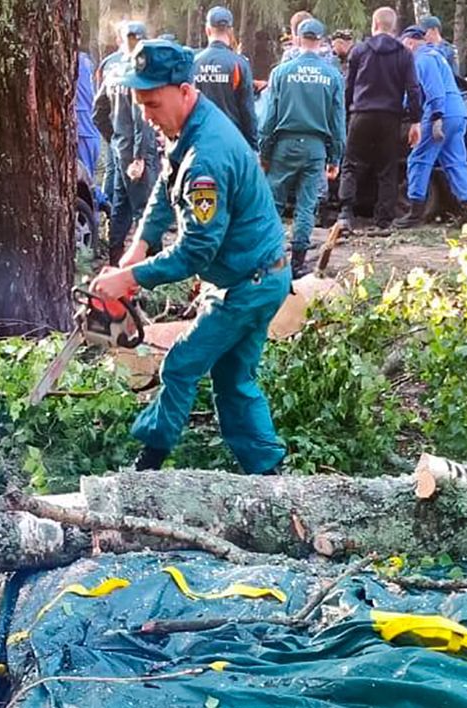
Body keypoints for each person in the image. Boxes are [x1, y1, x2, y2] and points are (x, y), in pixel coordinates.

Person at [89, 40, 290, 476]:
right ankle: (270, 475)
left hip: (247, 284)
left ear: (184, 90)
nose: (146, 114)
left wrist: (130, 280)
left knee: (181, 363)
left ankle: (148, 466)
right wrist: (139, 246)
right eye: (140, 103)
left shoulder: (207, 159)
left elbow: (197, 250)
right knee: (234, 379)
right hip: (257, 274)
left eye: (152, 103)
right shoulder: (189, 127)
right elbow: (165, 185)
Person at [260, 17, 345, 274]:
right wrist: (335, 157)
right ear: (321, 42)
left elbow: (269, 118)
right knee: (306, 205)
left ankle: (270, 257)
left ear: (297, 39)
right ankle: (298, 263)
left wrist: (265, 151)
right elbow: (337, 122)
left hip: (283, 145)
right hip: (315, 148)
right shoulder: (332, 76)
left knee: (274, 202)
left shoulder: (281, 73)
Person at [338, 7, 423, 232]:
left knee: (351, 163)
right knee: (387, 168)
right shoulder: (404, 54)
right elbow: (413, 89)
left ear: (374, 25)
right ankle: (383, 220)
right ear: (394, 28)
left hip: (361, 114)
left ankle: (345, 213)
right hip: (390, 116)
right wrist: (416, 120)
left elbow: (349, 85)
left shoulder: (360, 51)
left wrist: (347, 112)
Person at [395, 26, 467, 229]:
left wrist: (437, 117)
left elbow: (434, 90)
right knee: (455, 162)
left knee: (418, 159)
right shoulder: (437, 55)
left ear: (409, 43)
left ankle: (415, 213)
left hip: (440, 114)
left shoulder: (422, 59)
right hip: (458, 112)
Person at [96, 21, 160, 264]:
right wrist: (139, 157)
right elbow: (141, 117)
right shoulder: (139, 71)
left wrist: (114, 139)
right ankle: (152, 267)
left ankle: (114, 260)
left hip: (120, 148)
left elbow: (98, 111)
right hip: (136, 152)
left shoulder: (113, 70)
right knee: (146, 210)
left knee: (120, 208)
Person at [193, 6, 259, 151]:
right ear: (230, 31)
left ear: (208, 30)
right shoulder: (239, 64)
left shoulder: (194, 63)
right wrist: (253, 146)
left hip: (199, 141)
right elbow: (247, 110)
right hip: (231, 142)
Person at [75, 49, 102, 204]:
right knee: (86, 177)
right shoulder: (85, 61)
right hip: (90, 129)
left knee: (85, 180)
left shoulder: (75, 63)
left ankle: (100, 205)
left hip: (83, 130)